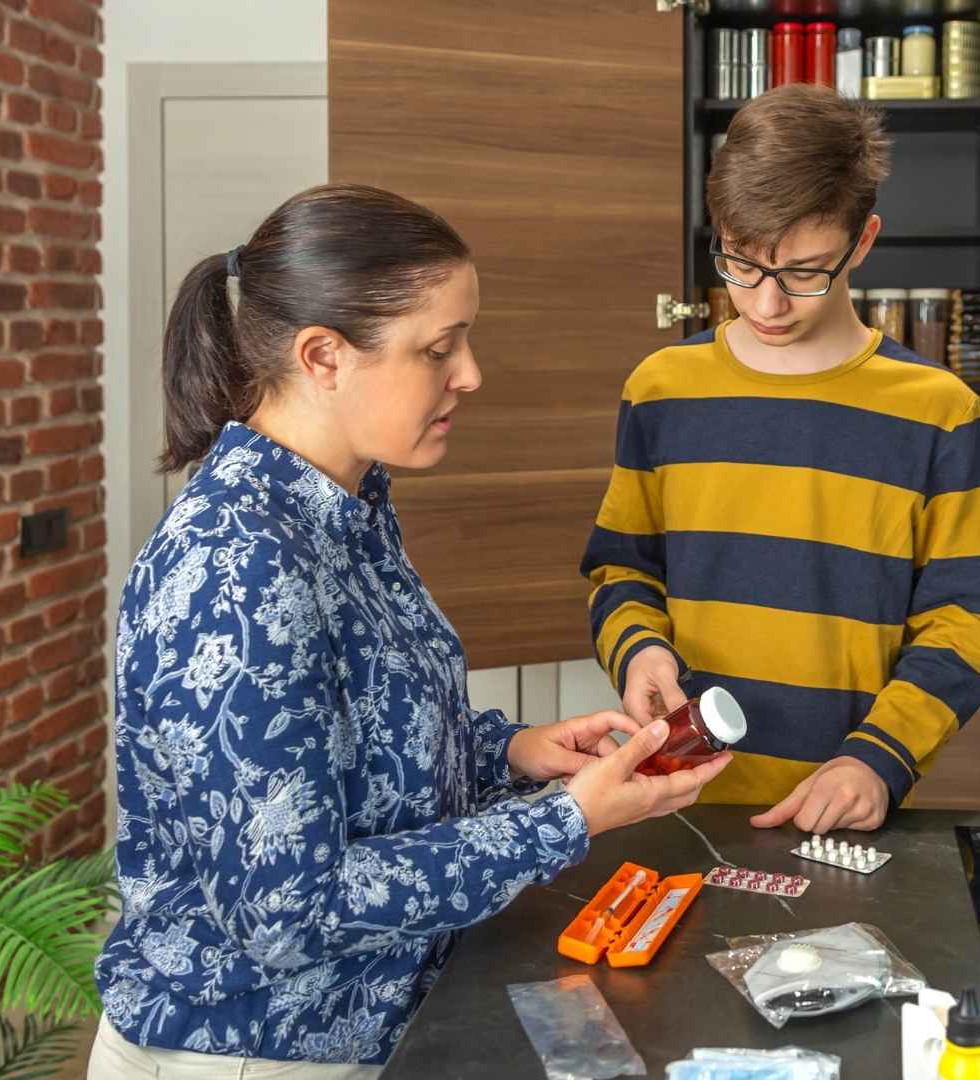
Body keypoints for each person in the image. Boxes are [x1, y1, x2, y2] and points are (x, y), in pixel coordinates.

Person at [91, 184, 730, 1077]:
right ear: (323, 357)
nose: (469, 373)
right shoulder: (237, 566)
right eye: (439, 348)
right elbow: (287, 911)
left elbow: (336, 753)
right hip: (249, 1052)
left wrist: (516, 755)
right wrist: (564, 821)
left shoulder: (347, 510)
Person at [581, 85, 980, 836]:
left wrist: (881, 758)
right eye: (741, 265)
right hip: (681, 805)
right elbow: (623, 570)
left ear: (864, 241)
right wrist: (639, 652)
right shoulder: (660, 389)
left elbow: (964, 622)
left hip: (840, 810)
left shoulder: (937, 409)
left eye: (804, 272)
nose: (767, 304)